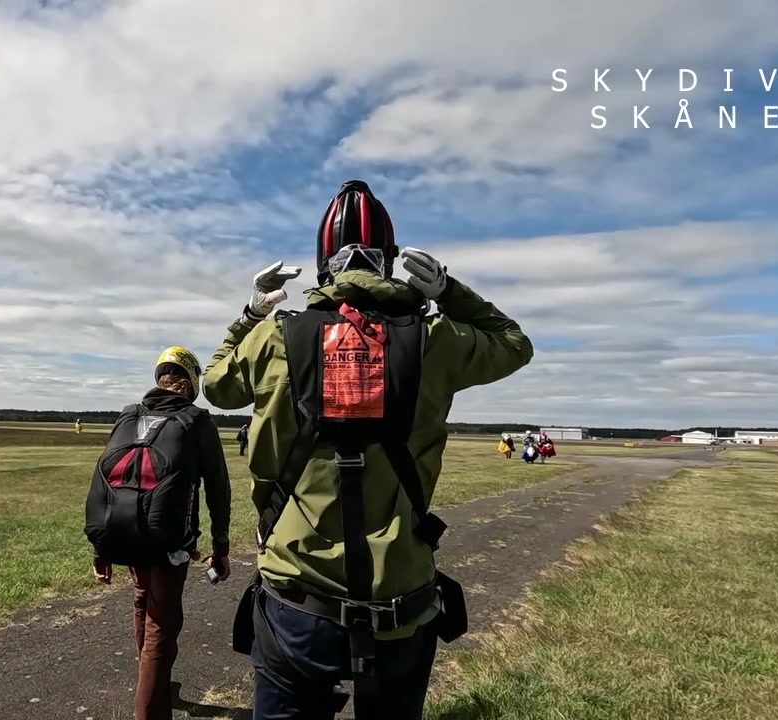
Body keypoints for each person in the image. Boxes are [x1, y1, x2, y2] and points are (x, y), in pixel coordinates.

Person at [202, 180, 533, 719]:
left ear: (323, 264)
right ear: (389, 261)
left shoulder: (276, 337)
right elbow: (515, 344)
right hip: (401, 603)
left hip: (298, 599)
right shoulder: (433, 338)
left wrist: (250, 313)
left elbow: (215, 385)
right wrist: (449, 291)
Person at [83, 346, 233, 720]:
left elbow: (109, 484)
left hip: (124, 532)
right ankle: (151, 705)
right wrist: (221, 547)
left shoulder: (129, 415)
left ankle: (156, 684)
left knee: (142, 600)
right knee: (161, 626)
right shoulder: (196, 421)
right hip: (168, 542)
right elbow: (218, 490)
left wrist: (102, 549)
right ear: (191, 383)